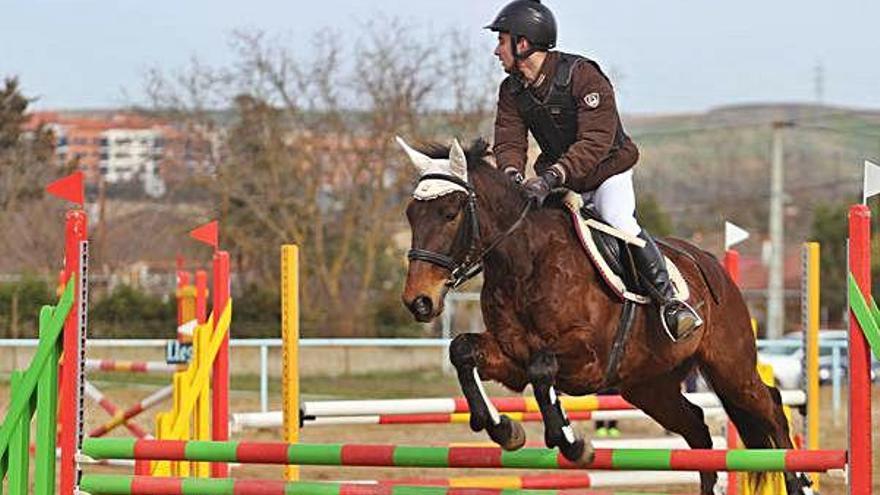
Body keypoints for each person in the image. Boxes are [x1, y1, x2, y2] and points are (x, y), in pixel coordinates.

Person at [486, 0, 702, 340]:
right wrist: (512, 176)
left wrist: (551, 177)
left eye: (501, 41)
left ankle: (670, 303)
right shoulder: (512, 90)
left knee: (618, 221)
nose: (497, 51)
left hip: (606, 172)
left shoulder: (582, 75)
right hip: (560, 179)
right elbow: (508, 141)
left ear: (523, 43)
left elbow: (595, 141)